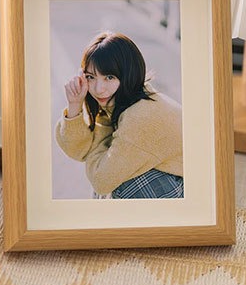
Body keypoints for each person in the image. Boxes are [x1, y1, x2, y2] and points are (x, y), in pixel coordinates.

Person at [55, 31, 184, 199]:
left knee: (121, 184)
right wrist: (74, 105)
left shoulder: (140, 116)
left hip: (199, 190)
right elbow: (79, 151)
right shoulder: (124, 101)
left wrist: (97, 149)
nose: (99, 89)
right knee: (115, 173)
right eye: (91, 77)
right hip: (181, 181)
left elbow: (101, 180)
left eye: (109, 77)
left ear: (128, 74)